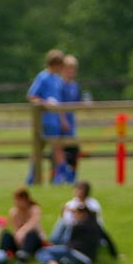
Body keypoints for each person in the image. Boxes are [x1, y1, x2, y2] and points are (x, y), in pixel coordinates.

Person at [36, 181, 119, 264]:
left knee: (42, 251)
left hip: (77, 253)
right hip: (89, 259)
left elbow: (69, 242)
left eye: (76, 213)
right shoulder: (95, 225)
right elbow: (108, 238)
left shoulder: (78, 225)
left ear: (83, 214)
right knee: (62, 237)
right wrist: (115, 255)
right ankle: (55, 261)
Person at [26, 49, 66, 185]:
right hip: (43, 121)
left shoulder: (57, 79)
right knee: (38, 149)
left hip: (54, 120)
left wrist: (62, 120)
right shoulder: (42, 77)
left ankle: (59, 177)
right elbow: (32, 96)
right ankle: (32, 177)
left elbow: (58, 103)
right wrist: (45, 102)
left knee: (57, 148)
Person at [56, 55, 83, 184]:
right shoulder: (59, 85)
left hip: (71, 125)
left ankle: (71, 178)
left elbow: (77, 103)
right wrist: (62, 120)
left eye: (73, 69)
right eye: (68, 69)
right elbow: (57, 105)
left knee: (74, 151)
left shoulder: (75, 86)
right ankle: (60, 177)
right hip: (60, 124)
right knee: (59, 150)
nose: (71, 72)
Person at [1, 187, 47, 262]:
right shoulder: (14, 212)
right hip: (19, 240)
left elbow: (32, 224)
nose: (15, 202)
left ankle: (24, 254)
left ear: (24, 200)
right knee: (6, 235)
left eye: (18, 200)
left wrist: (22, 232)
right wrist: (18, 236)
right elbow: (15, 229)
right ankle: (4, 254)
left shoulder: (35, 209)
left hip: (34, 241)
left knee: (32, 234)